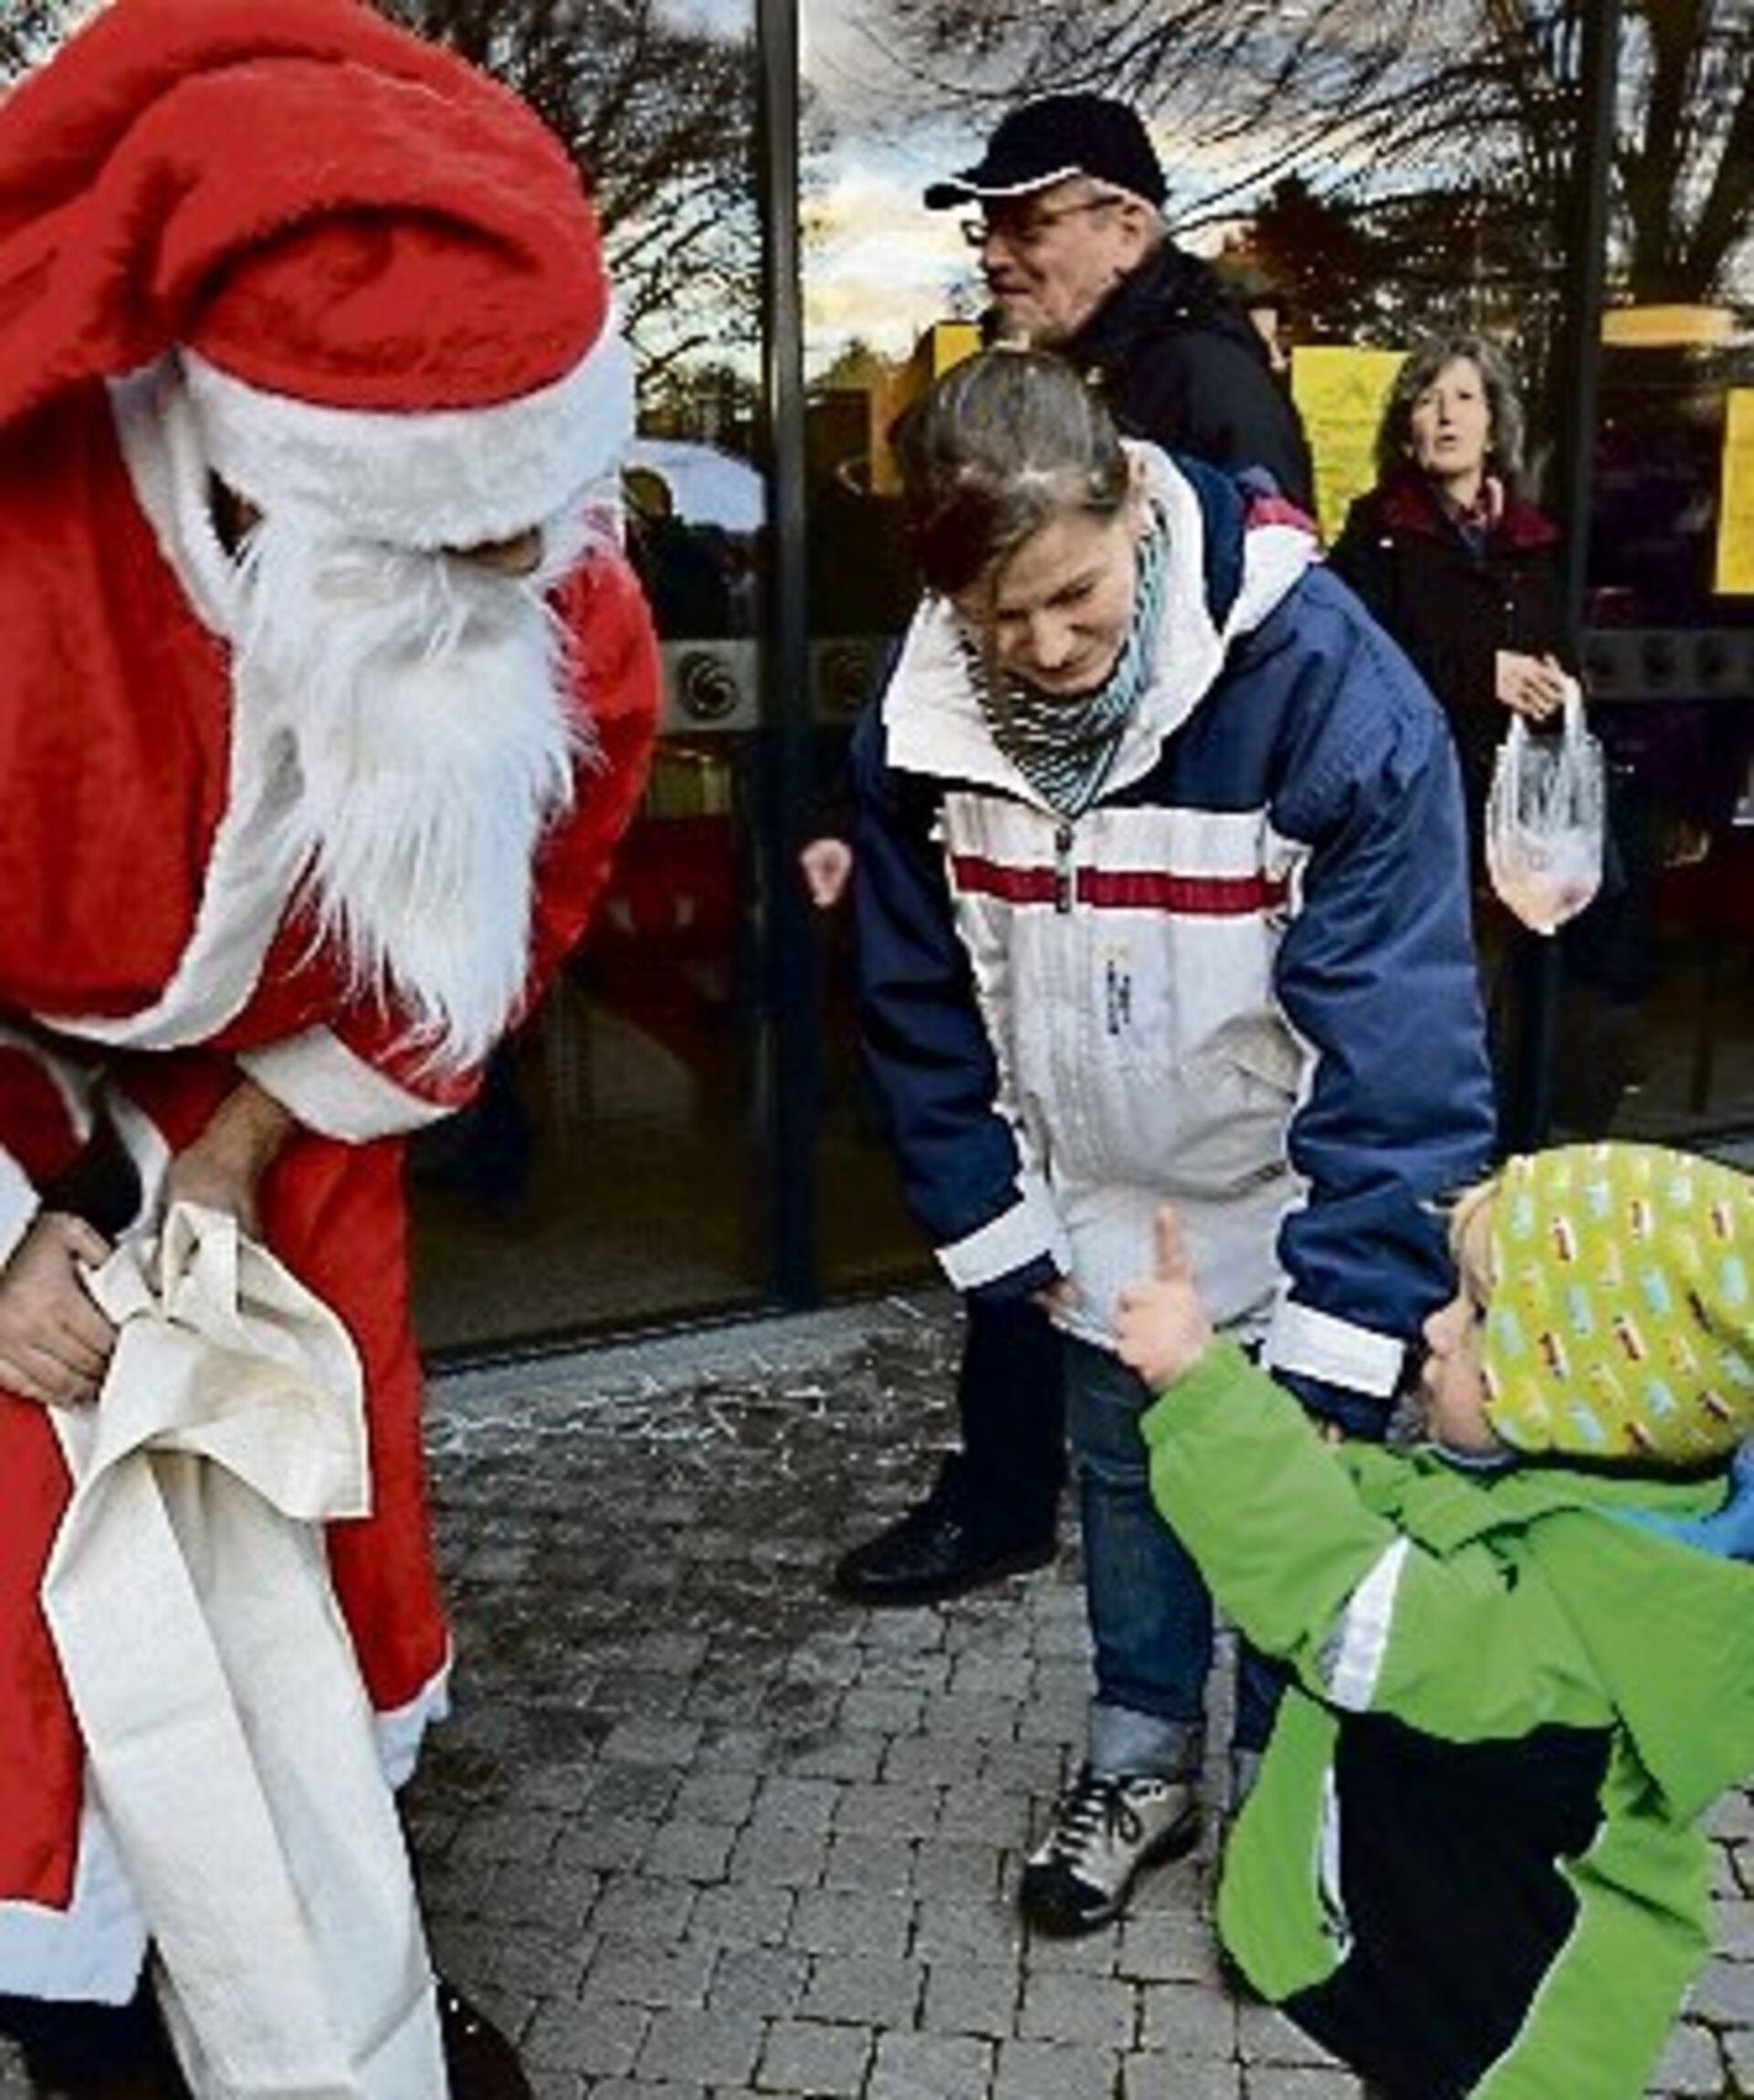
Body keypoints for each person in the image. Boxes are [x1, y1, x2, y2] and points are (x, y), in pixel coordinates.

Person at [0, 5, 660, 2095]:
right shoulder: (30, 572)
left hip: (278, 1091)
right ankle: (92, 2007)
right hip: (14, 1092)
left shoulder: (550, 578)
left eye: (528, 525)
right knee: (42, 1624)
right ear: (265, 470)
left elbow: (532, 871)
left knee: (331, 1517)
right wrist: (11, 1233)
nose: (517, 579)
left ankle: (338, 1969)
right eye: (452, 541)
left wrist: (256, 1135)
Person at [850, 347, 1494, 1935]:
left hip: (1290, 1205)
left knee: (1295, 1526)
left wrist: (1352, 1328)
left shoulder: (1332, 691)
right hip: (1100, 1212)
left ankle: (1295, 1793)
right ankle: (1142, 1758)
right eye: (1003, 622)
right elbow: (911, 983)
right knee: (1127, 1497)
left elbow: (1399, 1050)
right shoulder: (924, 709)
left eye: (1072, 595)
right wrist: (997, 1219)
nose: (1047, 647)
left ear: (1133, 500)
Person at [832, 89, 1319, 1610]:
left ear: (1129, 221)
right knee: (1026, 1181)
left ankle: (1064, 1511)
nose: (996, 248)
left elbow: (1228, 681)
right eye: (986, 221)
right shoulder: (1070, 374)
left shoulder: (1202, 386)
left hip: (1128, 902)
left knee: (1097, 1207)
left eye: (1027, 216)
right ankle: (1022, 1491)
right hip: (1037, 878)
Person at [1116, 1141, 1754, 2098]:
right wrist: (1293, 1447)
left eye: (1482, 1313)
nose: (1437, 1326)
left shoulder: (1577, 1620)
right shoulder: (1610, 1513)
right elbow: (1406, 1510)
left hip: (1513, 2038)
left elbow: (1349, 1604)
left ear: (1583, 1393)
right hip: (1451, 1961)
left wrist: (1202, 1390)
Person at [1327, 333, 1646, 1143]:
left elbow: (1564, 648)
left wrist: (1561, 684)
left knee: (1528, 998)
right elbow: (1355, 662)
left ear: (1494, 423)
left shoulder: (1535, 539)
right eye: (1426, 400)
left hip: (1521, 817)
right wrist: (1481, 672)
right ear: (1404, 428)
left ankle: (1524, 1146)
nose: (1443, 416)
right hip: (1426, 810)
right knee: (1437, 1004)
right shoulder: (1376, 534)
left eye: (1462, 398)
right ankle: (1441, 1161)